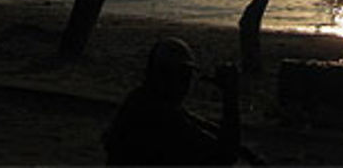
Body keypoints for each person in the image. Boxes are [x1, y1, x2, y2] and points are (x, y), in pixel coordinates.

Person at [103, 37, 240, 165]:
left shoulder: (141, 98)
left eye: (187, 77)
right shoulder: (160, 115)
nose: (185, 85)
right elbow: (225, 156)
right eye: (180, 77)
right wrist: (231, 97)